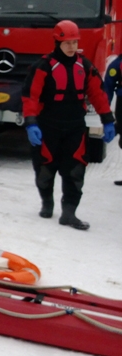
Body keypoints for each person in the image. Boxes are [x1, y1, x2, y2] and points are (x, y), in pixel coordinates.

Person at [22, 20, 115, 230]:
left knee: (75, 170)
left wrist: (108, 119)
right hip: (48, 126)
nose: (72, 47)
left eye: (74, 42)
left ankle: (69, 213)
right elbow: (31, 96)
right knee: (45, 169)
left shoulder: (85, 66)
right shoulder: (43, 66)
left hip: (75, 127)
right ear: (57, 42)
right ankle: (47, 202)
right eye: (67, 43)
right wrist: (30, 123)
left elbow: (98, 95)